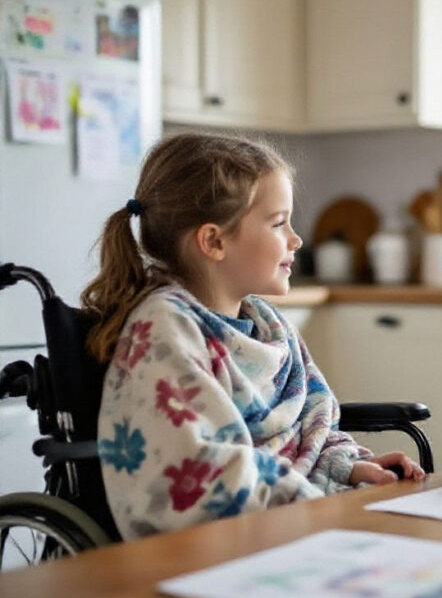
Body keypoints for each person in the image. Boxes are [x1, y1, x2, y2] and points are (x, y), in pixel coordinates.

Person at [84, 132, 424, 540]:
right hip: (224, 541)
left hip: (295, 516)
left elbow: (309, 426)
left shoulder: (268, 323)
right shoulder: (164, 330)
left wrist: (345, 467)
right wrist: (323, 505)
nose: (296, 239)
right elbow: (203, 472)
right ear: (214, 241)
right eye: (279, 223)